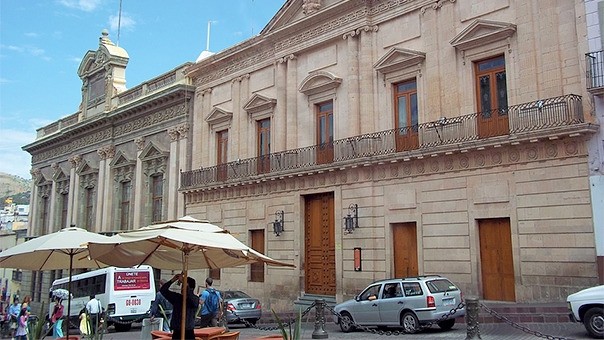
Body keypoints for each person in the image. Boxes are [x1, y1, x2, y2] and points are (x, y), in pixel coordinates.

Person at [160, 273, 199, 340]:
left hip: (188, 331)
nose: (182, 287)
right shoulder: (177, 298)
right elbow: (163, 290)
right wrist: (173, 280)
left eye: (184, 285)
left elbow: (191, 298)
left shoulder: (195, 299)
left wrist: (185, 284)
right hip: (177, 331)